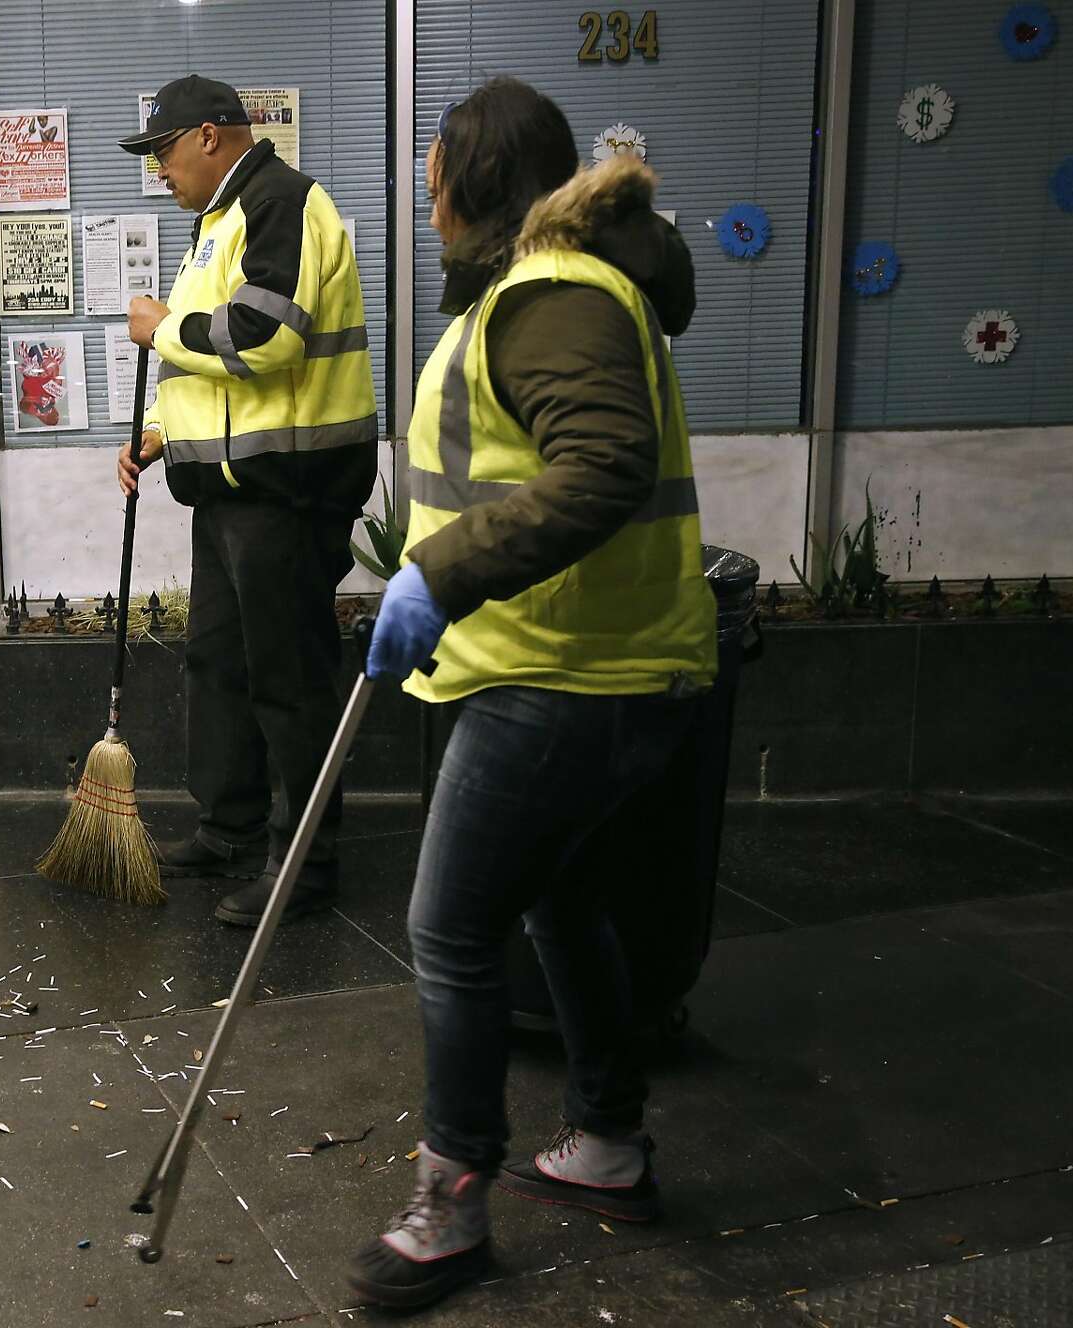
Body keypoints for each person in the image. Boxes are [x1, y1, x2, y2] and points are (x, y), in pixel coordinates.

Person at [345, 78, 718, 1311]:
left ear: (474, 181)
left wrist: (437, 575)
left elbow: (601, 463)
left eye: (434, 171)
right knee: (560, 902)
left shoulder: (554, 292)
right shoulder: (565, 286)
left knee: (452, 930)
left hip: (557, 676)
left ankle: (449, 1210)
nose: (425, 194)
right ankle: (605, 1143)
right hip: (596, 665)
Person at [115, 75, 377, 927]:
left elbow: (266, 334)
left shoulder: (284, 203)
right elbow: (213, 372)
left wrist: (161, 330)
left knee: (288, 679)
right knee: (220, 665)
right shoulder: (216, 224)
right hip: (228, 490)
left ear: (206, 137)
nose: (158, 171)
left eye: (161, 151)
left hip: (288, 492)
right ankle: (229, 829)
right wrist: (158, 432)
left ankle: (305, 863)